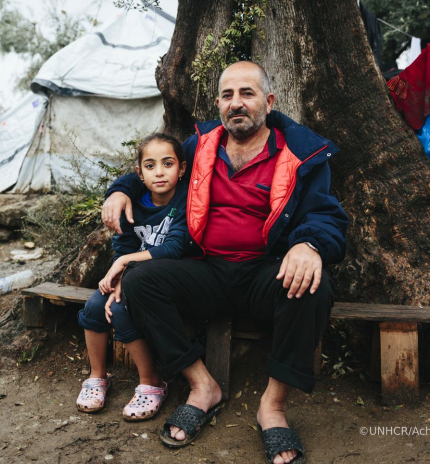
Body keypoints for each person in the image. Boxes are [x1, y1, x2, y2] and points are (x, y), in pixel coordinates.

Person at [102, 62, 348, 464]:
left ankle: (273, 406)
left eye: (247, 94)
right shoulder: (200, 145)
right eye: (228, 95)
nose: (237, 104)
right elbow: (155, 166)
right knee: (142, 280)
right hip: (206, 270)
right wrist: (119, 191)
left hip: (264, 273)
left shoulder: (300, 153)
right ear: (218, 103)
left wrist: (310, 245)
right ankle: (203, 386)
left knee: (313, 287)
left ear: (268, 102)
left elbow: (328, 217)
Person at [76, 133, 190, 422]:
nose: (160, 172)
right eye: (150, 166)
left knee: (118, 309)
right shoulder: (133, 203)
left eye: (168, 163)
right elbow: (123, 246)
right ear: (139, 173)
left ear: (182, 168)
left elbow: (176, 248)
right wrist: (116, 277)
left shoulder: (186, 201)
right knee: (93, 307)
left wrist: (125, 268)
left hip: (164, 281)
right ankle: (97, 376)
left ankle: (152, 380)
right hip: (129, 274)